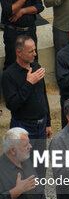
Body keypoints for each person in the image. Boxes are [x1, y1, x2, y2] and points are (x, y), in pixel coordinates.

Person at [1, 36, 52, 186]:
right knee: (23, 165)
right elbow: (12, 104)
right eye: (30, 51)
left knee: (40, 164)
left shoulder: (36, 67)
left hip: (41, 125)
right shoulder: (9, 75)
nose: (34, 54)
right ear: (19, 52)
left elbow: (43, 96)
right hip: (23, 127)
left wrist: (48, 122)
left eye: (35, 50)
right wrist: (28, 83)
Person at [1, 0, 44, 69]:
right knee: (12, 64)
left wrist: (22, 11)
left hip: (30, 31)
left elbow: (39, 7)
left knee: (33, 62)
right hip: (13, 33)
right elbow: (9, 11)